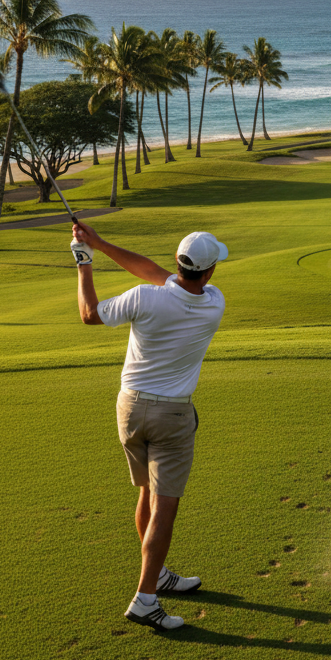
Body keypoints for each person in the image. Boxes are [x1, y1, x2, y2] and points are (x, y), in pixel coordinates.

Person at [70, 222, 228, 631]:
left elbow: (90, 315)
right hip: (172, 416)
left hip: (128, 409)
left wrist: (86, 260)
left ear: (178, 263)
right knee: (165, 507)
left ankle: (156, 575)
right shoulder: (214, 302)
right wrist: (100, 243)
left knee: (146, 492)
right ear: (208, 272)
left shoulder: (144, 298)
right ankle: (145, 599)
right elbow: (155, 274)